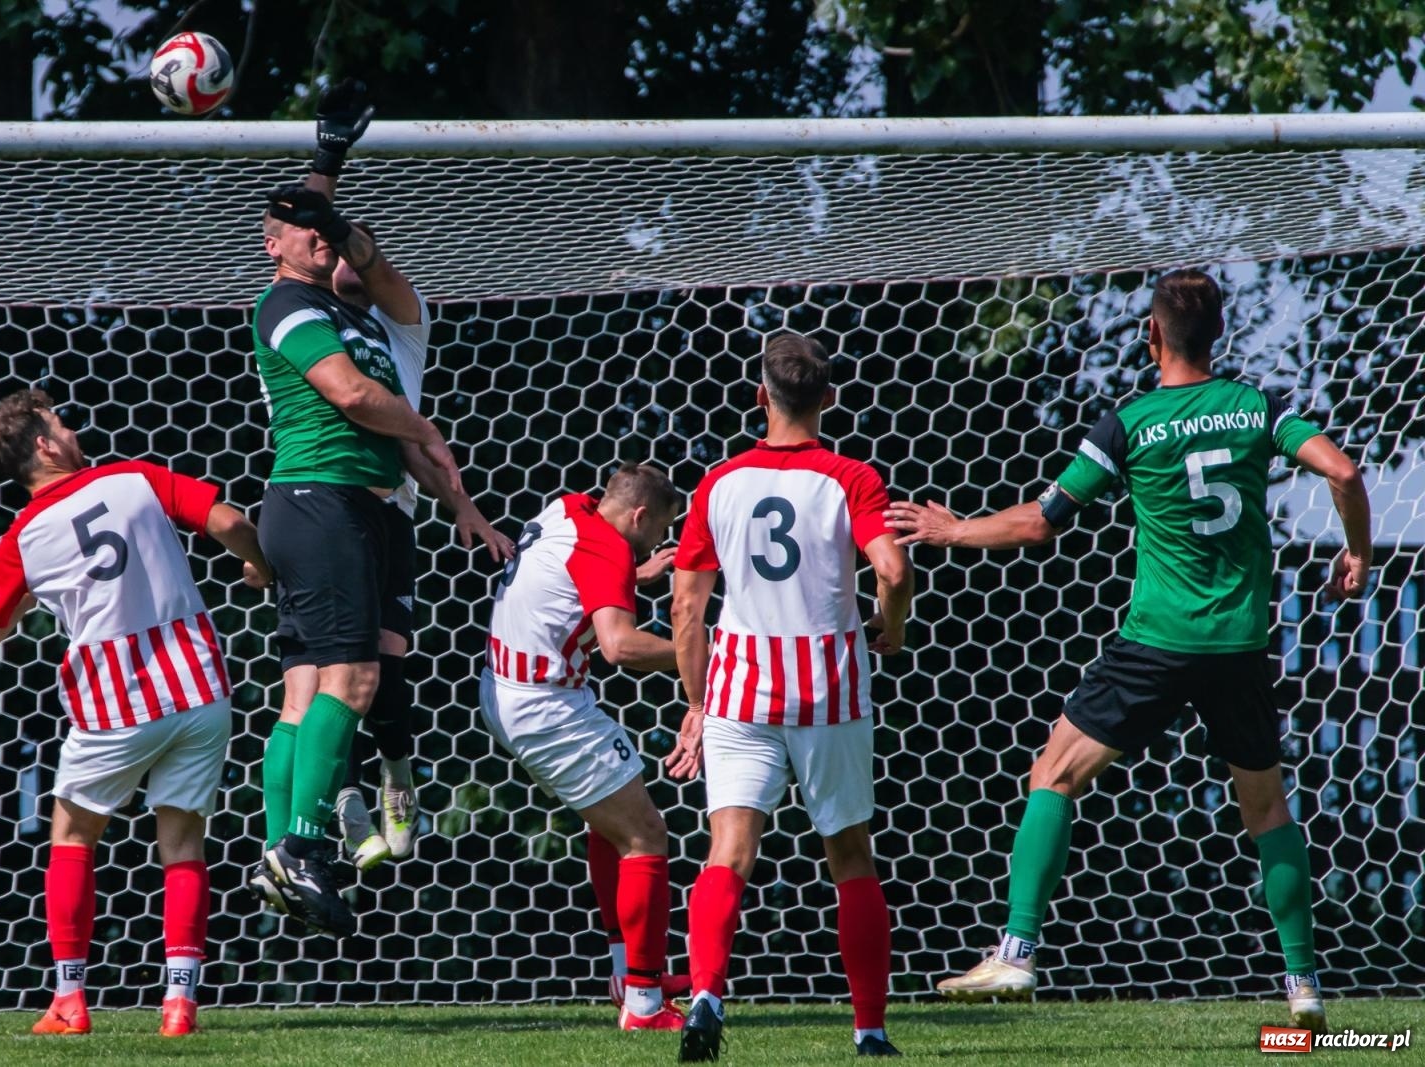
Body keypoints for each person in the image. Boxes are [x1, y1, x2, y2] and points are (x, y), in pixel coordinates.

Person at [887, 269, 1372, 1033]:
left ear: (1152, 335)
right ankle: (1304, 984)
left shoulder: (1131, 421)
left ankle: (1016, 949)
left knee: (1053, 770)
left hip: (1156, 641)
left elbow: (1043, 522)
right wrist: (1357, 553)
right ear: (1219, 337)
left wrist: (953, 530)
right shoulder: (1254, 407)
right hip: (1239, 644)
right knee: (1268, 806)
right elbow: (1343, 470)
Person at [0, 389, 272, 1038]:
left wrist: (30, 599)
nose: (71, 430)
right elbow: (228, 522)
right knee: (184, 842)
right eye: (60, 423)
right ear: (46, 445)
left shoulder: (24, 537)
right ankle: (179, 1002)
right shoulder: (133, 478)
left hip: (114, 704)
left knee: (72, 837)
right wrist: (261, 564)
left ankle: (70, 999)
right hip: (198, 688)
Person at [248, 86, 465, 936]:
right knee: (357, 678)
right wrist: (423, 427)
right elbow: (348, 393)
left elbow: (320, 223)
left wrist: (330, 157)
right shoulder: (288, 303)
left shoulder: (343, 297)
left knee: (305, 694)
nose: (318, 233)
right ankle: (301, 848)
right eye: (301, 231)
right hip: (321, 500)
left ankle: (280, 850)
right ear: (275, 248)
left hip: (349, 509)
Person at [668, 333, 914, 1061]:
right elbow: (893, 571)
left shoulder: (719, 482)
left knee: (728, 851)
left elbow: (687, 605)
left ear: (760, 396)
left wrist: (698, 698)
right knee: (850, 855)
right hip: (829, 689)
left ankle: (708, 992)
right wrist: (889, 629)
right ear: (828, 398)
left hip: (741, 688)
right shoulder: (851, 478)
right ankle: (869, 1029)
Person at [300, 83, 513, 868]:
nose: (344, 261)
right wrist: (327, 159)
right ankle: (346, 797)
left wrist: (464, 508)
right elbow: (298, 236)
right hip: (325, 500)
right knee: (334, 667)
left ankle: (393, 773)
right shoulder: (305, 319)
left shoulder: (402, 320)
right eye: (331, 252)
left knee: (385, 662)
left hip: (391, 508)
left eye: (350, 251)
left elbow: (367, 261)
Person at [479, 464, 687, 1031]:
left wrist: (633, 574)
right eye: (659, 530)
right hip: (546, 705)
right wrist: (705, 653)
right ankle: (643, 1002)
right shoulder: (607, 553)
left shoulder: (569, 508)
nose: (660, 542)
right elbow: (619, 647)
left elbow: (568, 575)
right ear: (639, 516)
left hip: (505, 685)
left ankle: (628, 974)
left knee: (611, 827)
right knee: (646, 835)